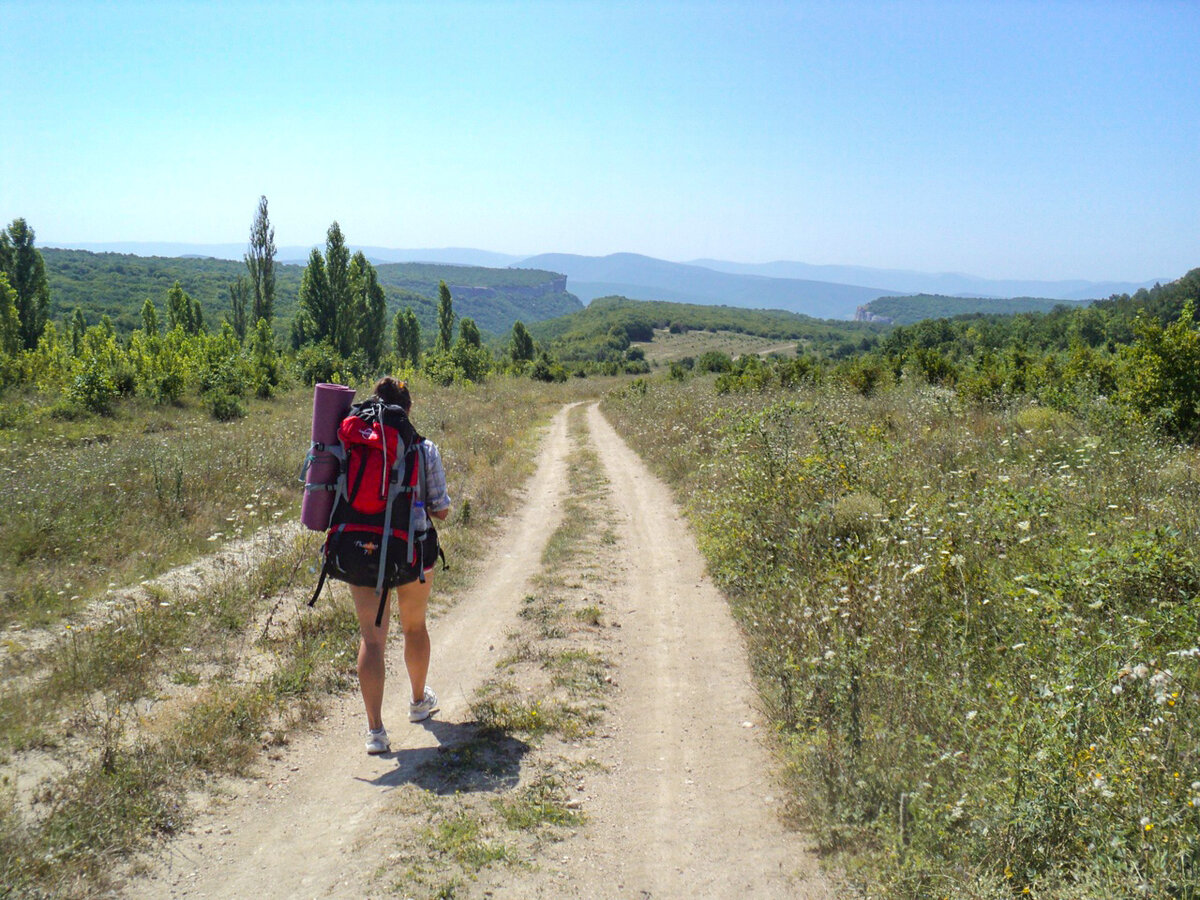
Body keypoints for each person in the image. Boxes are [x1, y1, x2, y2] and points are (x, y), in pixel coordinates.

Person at [350, 376, 450, 754]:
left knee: (372, 641)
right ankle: (418, 701)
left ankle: (375, 732)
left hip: (362, 550)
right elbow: (440, 509)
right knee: (414, 627)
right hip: (413, 551)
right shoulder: (424, 449)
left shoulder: (354, 441)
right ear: (407, 410)